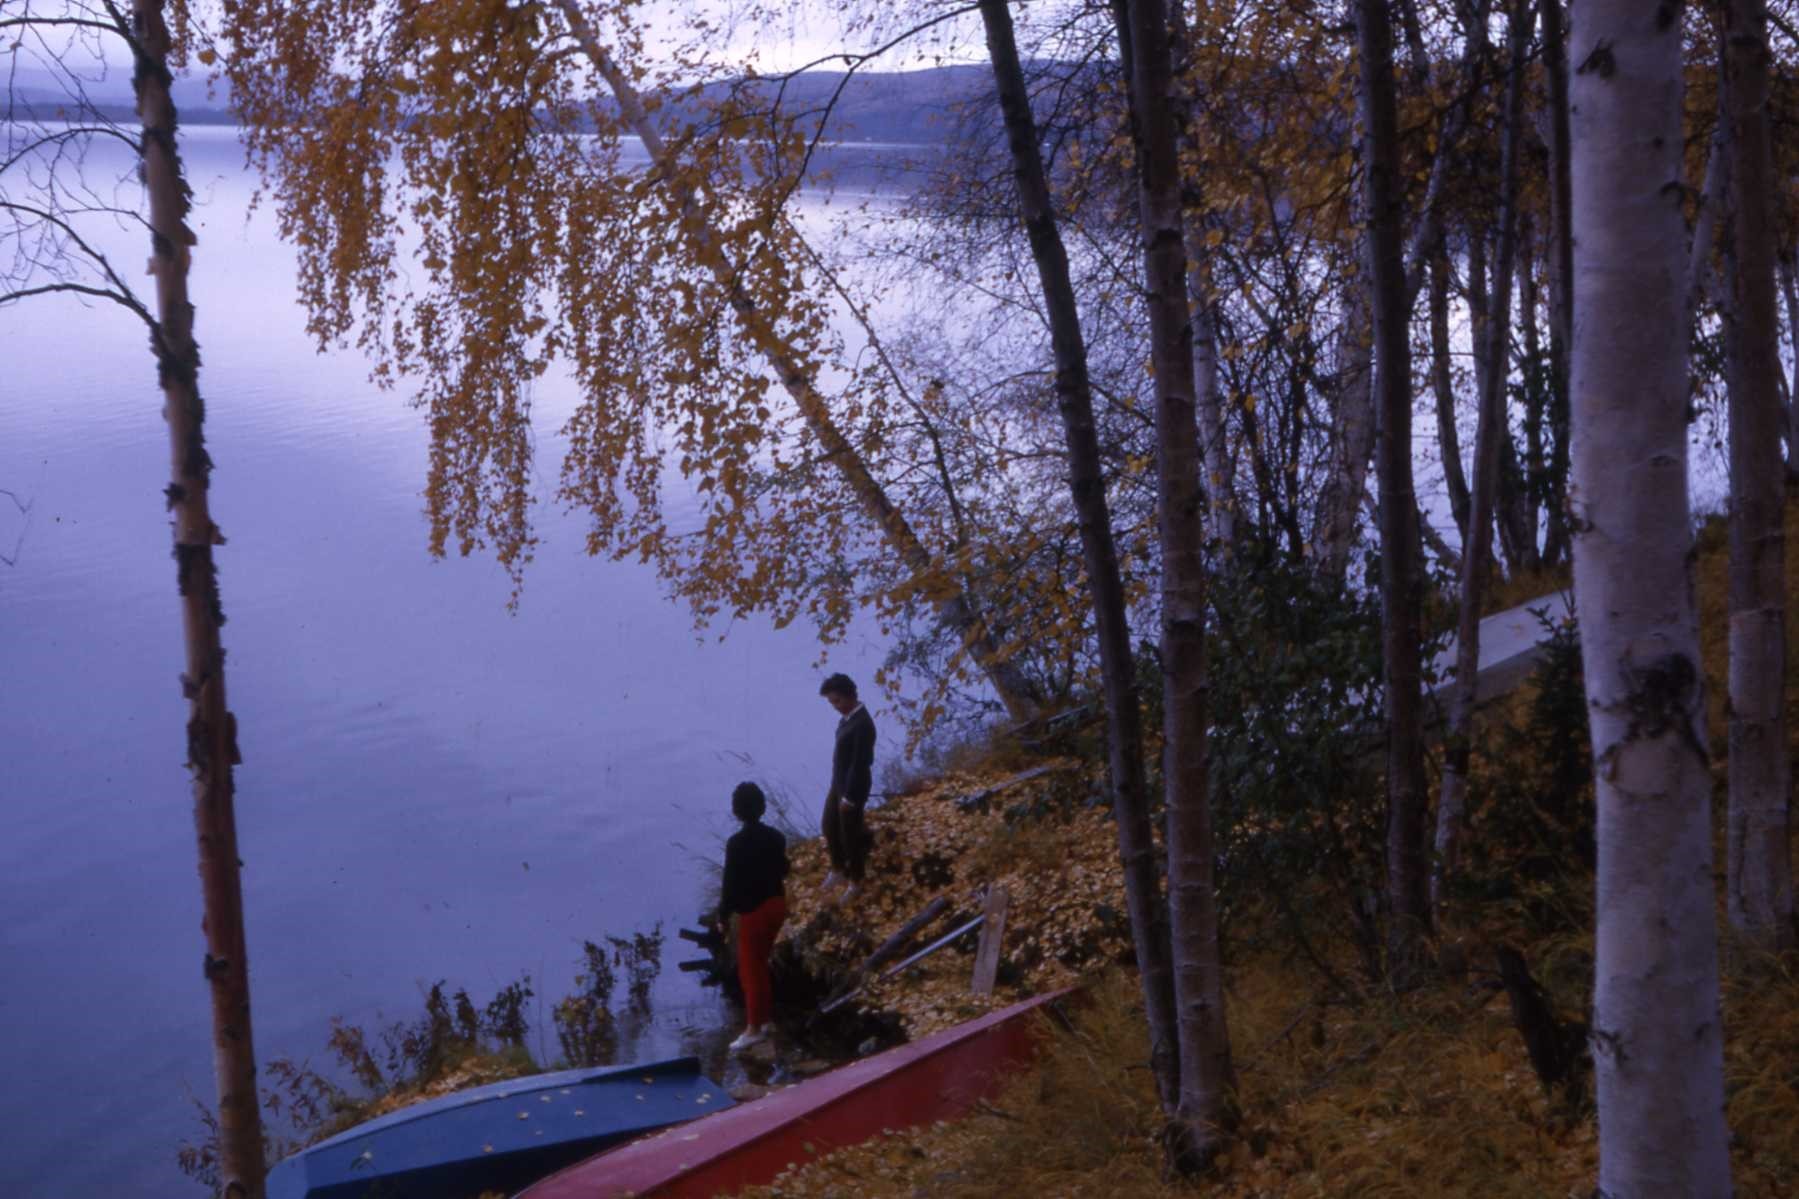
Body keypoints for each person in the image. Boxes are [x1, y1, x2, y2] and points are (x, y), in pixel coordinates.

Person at [716, 781, 789, 1053]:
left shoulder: (736, 844)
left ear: (737, 811)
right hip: (777, 906)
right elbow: (784, 869)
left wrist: (723, 916)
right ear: (762, 807)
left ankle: (753, 1029)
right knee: (761, 964)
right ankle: (766, 1020)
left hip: (755, 913)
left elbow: (730, 885)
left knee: (751, 971)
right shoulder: (777, 836)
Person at [818, 672, 876, 902]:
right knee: (828, 824)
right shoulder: (847, 719)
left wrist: (850, 797)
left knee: (849, 835)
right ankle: (838, 869)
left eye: (837, 701)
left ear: (850, 695)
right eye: (832, 702)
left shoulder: (862, 723)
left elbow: (860, 763)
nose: (835, 706)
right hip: (839, 782)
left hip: (854, 786)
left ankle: (856, 881)